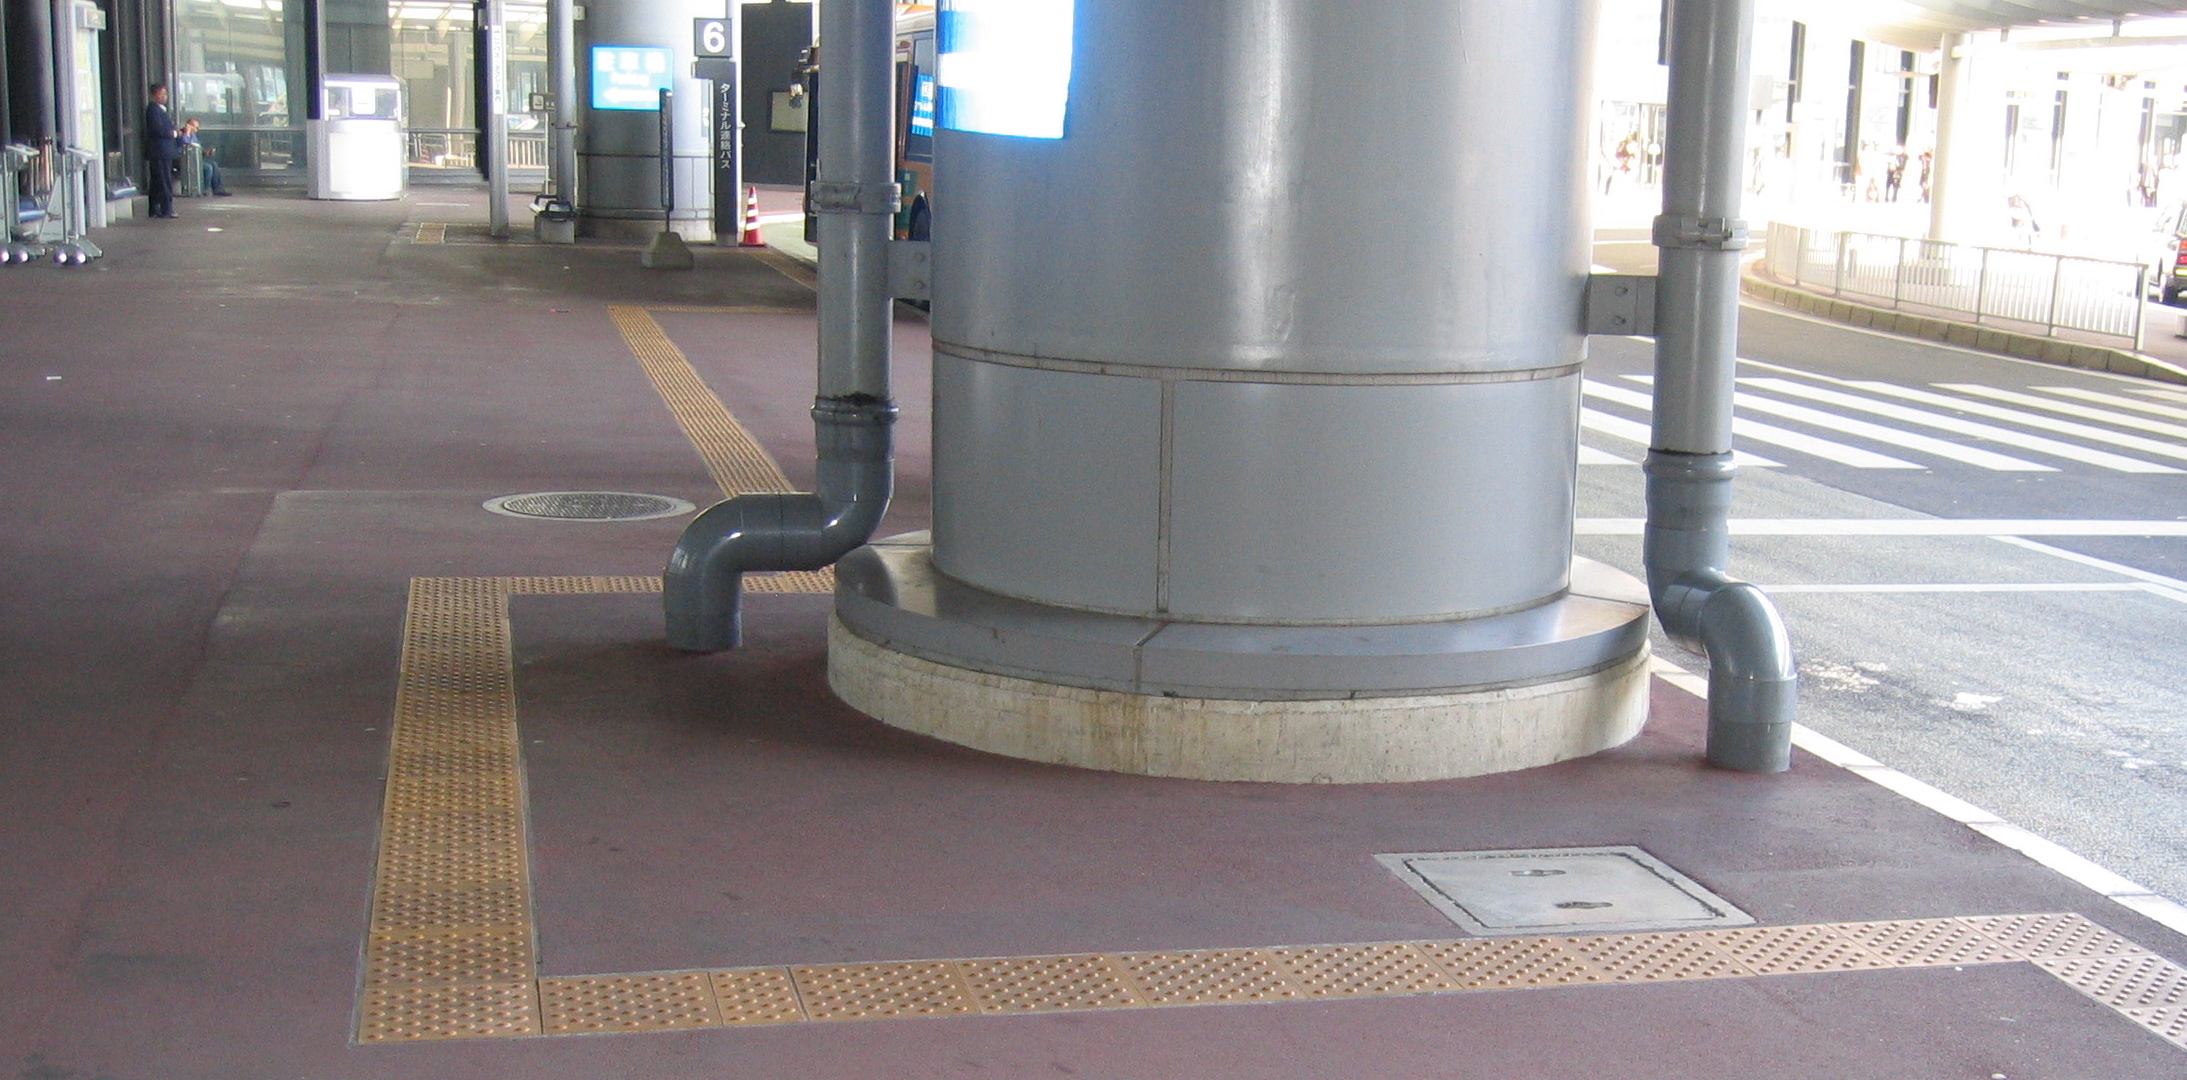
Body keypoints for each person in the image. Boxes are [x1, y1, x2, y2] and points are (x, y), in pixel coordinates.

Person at [143, 83, 179, 218]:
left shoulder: (161, 110)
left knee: (157, 181)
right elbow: (159, 130)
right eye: (161, 93)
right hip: (160, 151)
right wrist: (174, 134)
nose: (164, 96)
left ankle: (154, 209)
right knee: (164, 181)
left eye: (165, 93)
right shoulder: (153, 110)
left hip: (162, 151)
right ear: (154, 95)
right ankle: (166, 209)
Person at [179, 119, 232, 196]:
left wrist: (206, 152)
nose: (197, 130)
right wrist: (187, 132)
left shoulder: (193, 136)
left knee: (213, 164)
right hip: (185, 160)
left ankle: (218, 189)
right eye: (195, 127)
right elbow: (186, 146)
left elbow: (196, 148)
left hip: (195, 159)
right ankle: (204, 189)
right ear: (188, 126)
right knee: (208, 167)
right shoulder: (182, 134)